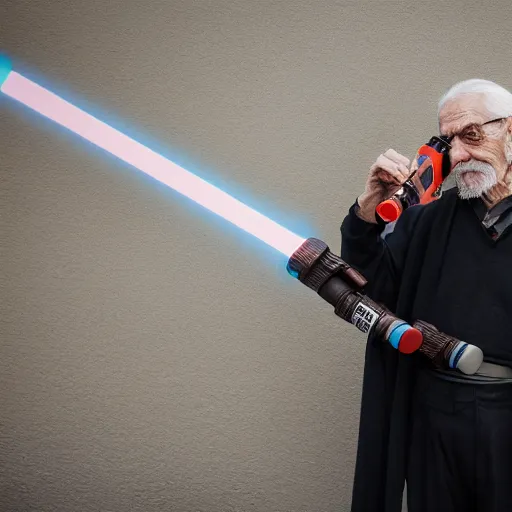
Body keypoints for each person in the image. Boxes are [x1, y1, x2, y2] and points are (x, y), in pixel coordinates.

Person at [340, 79, 512, 512]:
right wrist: (368, 209)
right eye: (447, 142)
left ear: (509, 129)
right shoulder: (425, 220)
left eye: (471, 135)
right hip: (435, 410)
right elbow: (368, 288)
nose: (458, 156)